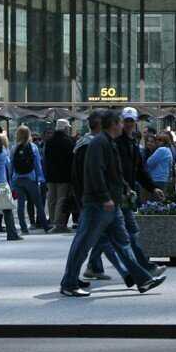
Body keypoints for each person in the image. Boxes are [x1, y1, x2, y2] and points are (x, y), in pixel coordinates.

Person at [58, 111, 162, 298]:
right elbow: (95, 172)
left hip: (111, 204)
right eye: (121, 122)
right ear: (114, 124)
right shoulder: (99, 143)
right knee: (83, 243)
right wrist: (105, 197)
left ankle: (143, 279)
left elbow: (113, 172)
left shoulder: (108, 142)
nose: (124, 125)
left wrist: (124, 188)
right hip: (98, 204)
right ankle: (69, 283)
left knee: (123, 243)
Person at [43, 119, 78, 233]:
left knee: (52, 199)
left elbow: (46, 159)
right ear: (65, 128)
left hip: (50, 175)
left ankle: (52, 221)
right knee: (61, 199)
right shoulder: (68, 141)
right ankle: (59, 224)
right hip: (64, 175)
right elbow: (71, 160)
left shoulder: (49, 141)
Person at [9, 125, 46, 234]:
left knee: (20, 205)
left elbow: (11, 166)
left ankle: (24, 228)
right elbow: (37, 164)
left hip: (17, 179)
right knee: (38, 203)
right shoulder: (33, 147)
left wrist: (11, 181)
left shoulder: (14, 148)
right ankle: (45, 226)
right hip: (31, 178)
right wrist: (41, 178)